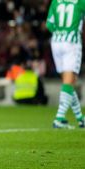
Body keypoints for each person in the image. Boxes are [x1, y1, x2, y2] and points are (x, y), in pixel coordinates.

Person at [46, 0, 85, 128]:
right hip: (71, 42)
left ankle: (80, 118)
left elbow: (49, 24)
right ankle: (59, 118)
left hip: (56, 42)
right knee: (69, 81)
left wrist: (60, 32)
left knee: (68, 81)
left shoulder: (56, 2)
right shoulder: (81, 2)